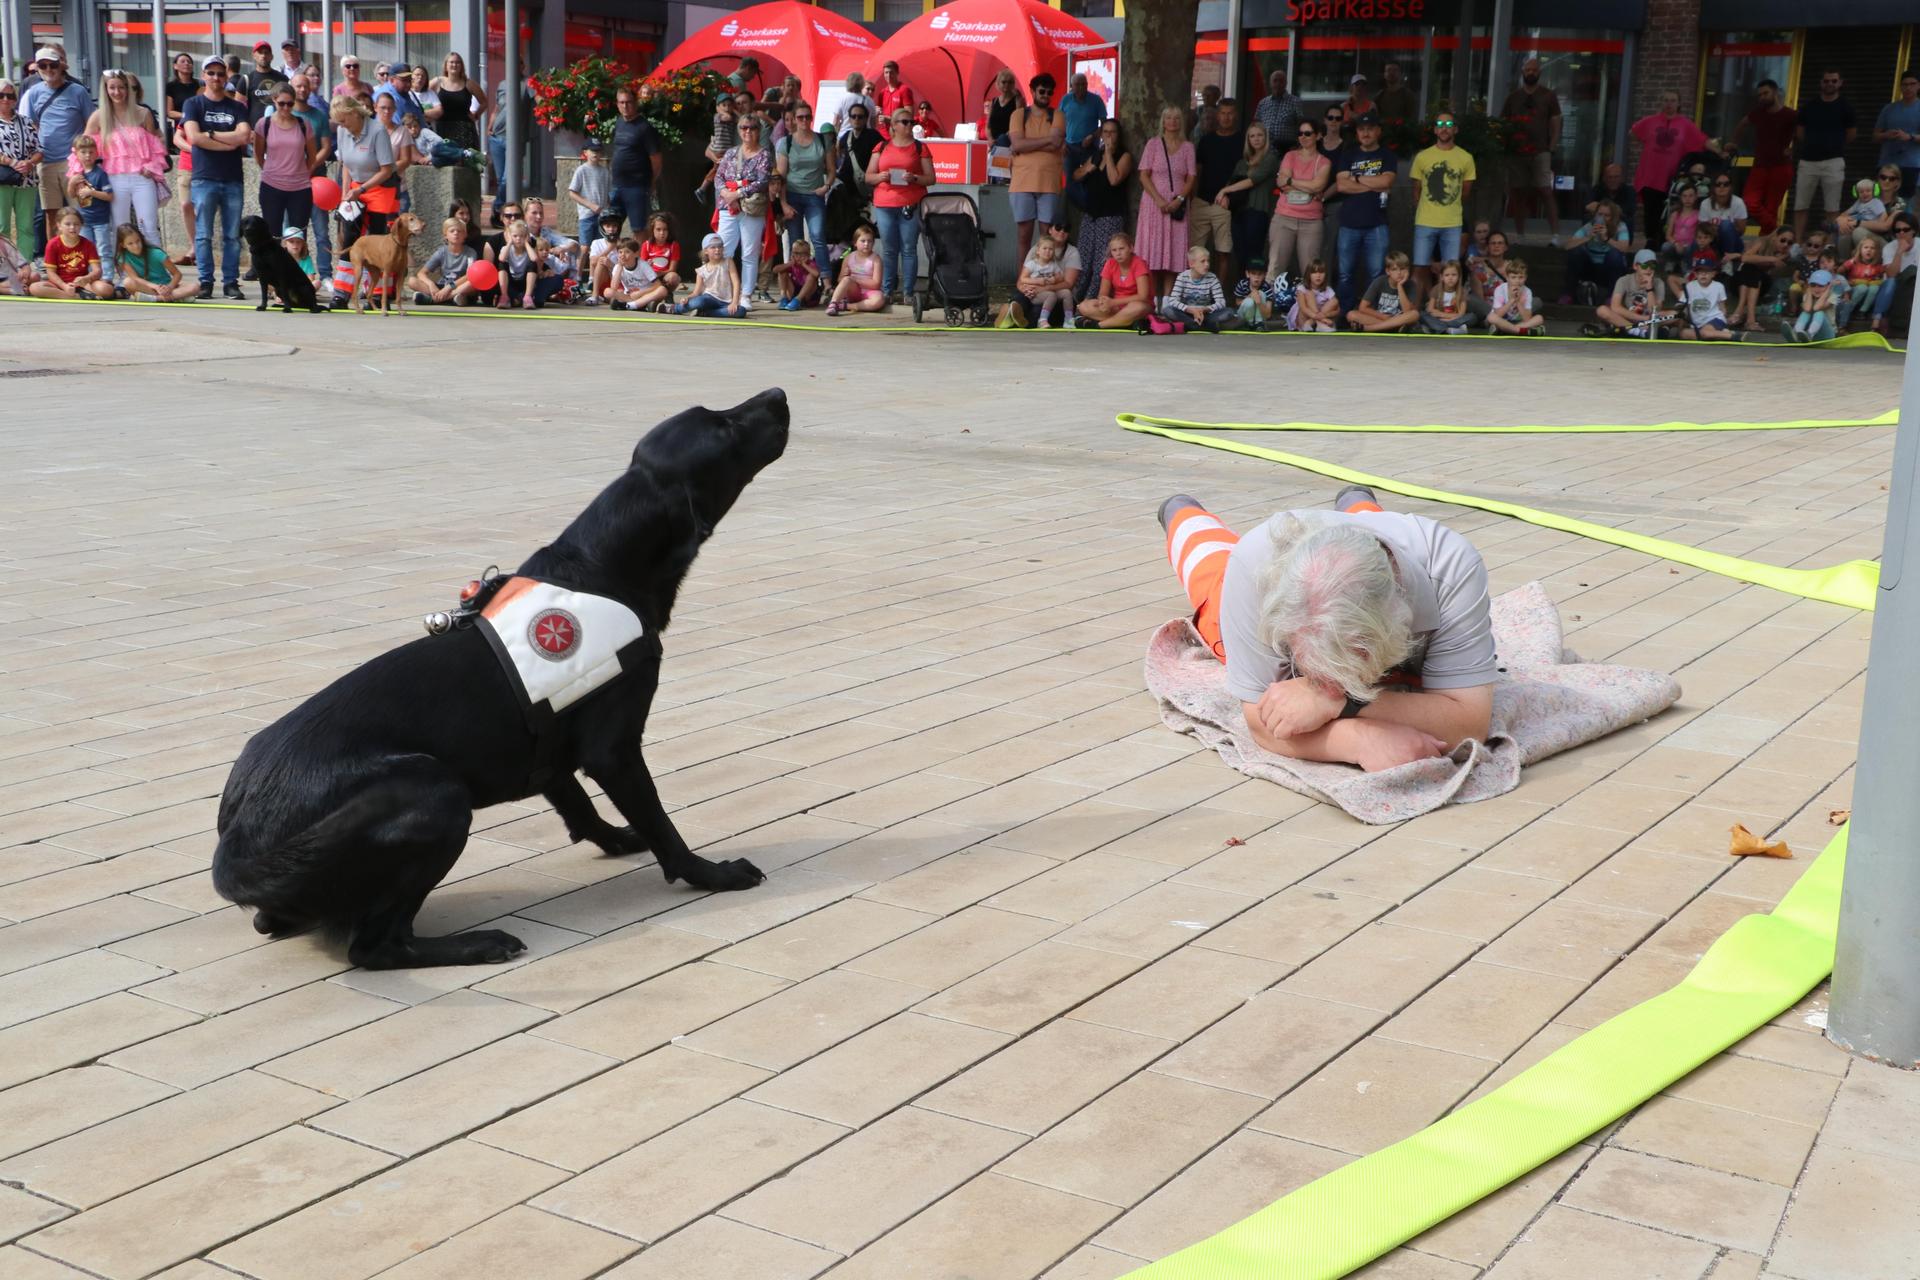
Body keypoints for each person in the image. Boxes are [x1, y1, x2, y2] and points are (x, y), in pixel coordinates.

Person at [1155, 492, 1497, 770]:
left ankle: (1358, 504)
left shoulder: (1451, 569)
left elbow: (1468, 725)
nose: (1325, 680)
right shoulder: (1253, 566)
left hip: (1384, 543)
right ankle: (1181, 513)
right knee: (1213, 574)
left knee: (1368, 528)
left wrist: (1334, 701)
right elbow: (1261, 722)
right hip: (1263, 560)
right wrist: (1358, 739)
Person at [182, 55, 251, 299]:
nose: (216, 78)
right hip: (204, 178)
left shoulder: (237, 107)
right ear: (203, 75)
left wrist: (210, 135)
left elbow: (244, 137)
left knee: (232, 235)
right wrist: (225, 141)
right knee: (203, 234)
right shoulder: (193, 104)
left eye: (220, 74)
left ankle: (231, 282)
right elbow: (194, 137)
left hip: (232, 179)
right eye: (210, 73)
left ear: (226, 77)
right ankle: (205, 281)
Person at [75, 69, 165, 254]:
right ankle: (124, 273)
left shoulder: (143, 113)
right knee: (119, 227)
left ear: (128, 89)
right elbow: (83, 148)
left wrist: (152, 166)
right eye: (112, 88)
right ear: (105, 90)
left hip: (142, 177)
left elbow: (157, 145)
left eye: (121, 87)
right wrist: (79, 174)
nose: (117, 92)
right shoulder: (98, 116)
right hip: (114, 180)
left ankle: (158, 270)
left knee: (149, 225)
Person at [21, 48, 94, 255]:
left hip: (73, 162)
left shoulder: (78, 91)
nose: (48, 69)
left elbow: (91, 122)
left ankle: (83, 259)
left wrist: (83, 155)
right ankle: (55, 260)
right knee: (51, 214)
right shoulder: (33, 93)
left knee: (81, 212)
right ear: (37, 68)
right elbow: (30, 125)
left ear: (61, 65)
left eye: (52, 65)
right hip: (45, 162)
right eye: (43, 66)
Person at [865, 108, 932, 306]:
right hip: (885, 203)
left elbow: (931, 178)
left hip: (910, 203)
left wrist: (915, 178)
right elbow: (868, 175)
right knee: (889, 249)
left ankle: (908, 292)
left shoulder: (920, 148)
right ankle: (887, 291)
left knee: (909, 248)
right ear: (893, 125)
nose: (909, 125)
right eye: (904, 122)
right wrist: (880, 177)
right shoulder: (882, 146)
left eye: (912, 122)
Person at [1331, 112, 1396, 312]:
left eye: (1370, 129)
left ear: (1378, 131)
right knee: (1344, 274)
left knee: (1376, 273)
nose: (1365, 133)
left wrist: (1357, 179)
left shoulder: (1387, 155)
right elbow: (1341, 185)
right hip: (1349, 222)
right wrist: (1372, 184)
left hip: (1376, 223)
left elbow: (1386, 182)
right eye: (1361, 129)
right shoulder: (1349, 154)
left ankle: (1370, 313)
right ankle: (1345, 314)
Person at [1628, 91, 1709, 238]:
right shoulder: (1650, 121)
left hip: (1672, 176)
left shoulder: (1685, 124)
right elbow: (1633, 133)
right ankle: (1651, 242)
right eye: (1665, 100)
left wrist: (1721, 151)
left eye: (1672, 101)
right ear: (1661, 102)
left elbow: (1702, 141)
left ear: (1678, 104)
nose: (1669, 104)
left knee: (1671, 211)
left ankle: (1667, 240)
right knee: (1650, 211)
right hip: (1650, 175)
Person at [1409, 112, 1475, 291]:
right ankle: (1412, 313)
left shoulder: (1466, 158)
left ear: (1455, 129)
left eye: (1448, 124)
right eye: (1440, 123)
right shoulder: (1422, 157)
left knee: (1451, 272)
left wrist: (1448, 205)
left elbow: (1465, 192)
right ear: (1435, 129)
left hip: (1452, 223)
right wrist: (1423, 210)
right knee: (1420, 269)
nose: (1444, 127)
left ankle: (1448, 313)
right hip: (1425, 221)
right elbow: (1416, 189)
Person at [251, 83, 317, 262]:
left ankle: (301, 277)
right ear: (274, 100)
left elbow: (312, 156)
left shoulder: (304, 124)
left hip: (300, 188)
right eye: (282, 103)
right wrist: (270, 170)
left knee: (298, 236)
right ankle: (275, 278)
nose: (286, 108)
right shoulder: (263, 124)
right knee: (272, 234)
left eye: (290, 103)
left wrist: (303, 172)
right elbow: (258, 154)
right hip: (272, 186)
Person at [1138, 105, 1197, 303]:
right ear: (1162, 121)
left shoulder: (1188, 147)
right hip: (1154, 205)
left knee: (1174, 252)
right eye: (1168, 118)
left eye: (1176, 118)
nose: (1172, 122)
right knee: (1153, 252)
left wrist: (1179, 199)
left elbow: (1191, 177)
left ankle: (1168, 301)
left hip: (1177, 205)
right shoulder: (1153, 144)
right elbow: (1144, 174)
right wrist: (1159, 200)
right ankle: (1153, 301)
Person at [1500, 58, 1561, 241]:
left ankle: (1555, 234)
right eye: (1528, 69)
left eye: (1534, 69)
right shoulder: (1513, 97)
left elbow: (1555, 122)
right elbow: (1503, 123)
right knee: (1518, 192)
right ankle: (1520, 234)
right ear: (1522, 72)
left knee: (1545, 191)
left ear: (1539, 72)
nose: (1531, 72)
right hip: (1517, 152)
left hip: (1541, 150)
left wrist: (1551, 146)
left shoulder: (1548, 96)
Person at [329, 95, 394, 268]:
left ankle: (376, 287)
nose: (342, 126)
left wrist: (362, 189)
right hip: (355, 187)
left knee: (376, 238)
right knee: (349, 235)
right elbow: (345, 165)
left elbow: (387, 170)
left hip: (379, 187)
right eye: (339, 123)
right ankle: (343, 286)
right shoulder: (343, 130)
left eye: (344, 121)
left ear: (355, 113)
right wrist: (344, 194)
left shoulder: (377, 130)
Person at [1008, 73, 1066, 263]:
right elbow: (1017, 145)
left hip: (1049, 183)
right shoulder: (1018, 114)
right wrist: (1048, 140)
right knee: (1023, 236)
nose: (1046, 95)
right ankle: (1021, 283)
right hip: (1022, 182)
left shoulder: (1058, 115)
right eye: (1042, 91)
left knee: (1047, 239)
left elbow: (1056, 143)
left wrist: (1028, 144)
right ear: (1033, 91)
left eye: (1049, 92)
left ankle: (1044, 282)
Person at [715, 113, 771, 307]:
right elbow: (718, 177)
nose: (748, 131)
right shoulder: (731, 153)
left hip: (751, 208)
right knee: (724, 250)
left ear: (759, 131)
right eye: (744, 128)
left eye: (753, 128)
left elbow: (762, 181)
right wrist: (726, 195)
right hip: (727, 207)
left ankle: (746, 294)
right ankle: (725, 292)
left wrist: (737, 194)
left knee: (749, 252)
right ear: (739, 131)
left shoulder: (764, 154)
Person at [1071, 119, 1130, 301]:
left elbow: (1114, 180)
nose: (1109, 136)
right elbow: (1076, 175)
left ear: (1118, 135)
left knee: (1101, 264)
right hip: (1091, 214)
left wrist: (1109, 156)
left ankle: (1090, 302)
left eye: (1112, 132)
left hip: (1110, 216)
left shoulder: (1124, 156)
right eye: (1105, 132)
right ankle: (1072, 301)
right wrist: (1090, 167)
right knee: (1083, 259)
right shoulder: (1095, 155)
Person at [1726, 80, 1795, 235]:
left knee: (1771, 208)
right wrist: (1733, 143)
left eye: (1765, 93)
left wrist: (1793, 149)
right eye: (1759, 95)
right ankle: (1779, 232)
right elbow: (1742, 124)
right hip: (1760, 166)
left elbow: (1803, 132)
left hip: (1781, 167)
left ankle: (1767, 246)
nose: (1762, 97)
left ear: (1775, 92)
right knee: (1750, 202)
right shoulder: (1757, 113)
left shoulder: (1790, 114)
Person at [1794, 69, 1855, 240]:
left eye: (1833, 81)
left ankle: (1829, 245)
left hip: (1833, 161)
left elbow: (1851, 134)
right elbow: (1800, 132)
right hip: (1808, 161)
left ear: (1840, 83)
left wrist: (1834, 145)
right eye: (1826, 81)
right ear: (1821, 83)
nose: (1830, 84)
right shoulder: (1809, 106)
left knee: (1832, 207)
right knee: (1801, 205)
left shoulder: (1846, 107)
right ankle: (1798, 242)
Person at [1265, 115, 1330, 277]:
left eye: (1308, 133)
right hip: (1284, 218)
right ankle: (1269, 302)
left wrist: (1291, 181)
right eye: (1300, 134)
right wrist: (1309, 188)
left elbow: (1318, 186)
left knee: (1311, 272)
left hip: (1311, 221)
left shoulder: (1324, 162)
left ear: (1318, 135)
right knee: (1275, 268)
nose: (1303, 137)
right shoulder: (1290, 156)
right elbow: (1282, 183)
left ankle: (1309, 303)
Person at [1189, 96, 1242, 280]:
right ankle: (1192, 291)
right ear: (1217, 115)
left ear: (1235, 116)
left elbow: (1245, 174)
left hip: (1224, 203)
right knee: (1195, 251)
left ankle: (1218, 294)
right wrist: (1193, 197)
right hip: (1201, 201)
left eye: (1230, 114)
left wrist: (1231, 197)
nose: (1226, 117)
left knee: (1223, 251)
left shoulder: (1242, 141)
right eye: (1223, 113)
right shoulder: (1206, 140)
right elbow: (1197, 170)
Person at [1218, 122, 1278, 279]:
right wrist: (1225, 195)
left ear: (1265, 138)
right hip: (1239, 211)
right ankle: (1241, 293)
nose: (1256, 139)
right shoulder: (1242, 162)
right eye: (1252, 136)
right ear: (1248, 140)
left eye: (1260, 135)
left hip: (1258, 211)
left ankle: (1256, 293)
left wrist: (1225, 190)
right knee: (1240, 254)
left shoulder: (1270, 159)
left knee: (1254, 254)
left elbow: (1253, 180)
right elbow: (1232, 182)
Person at [775, 101, 834, 257]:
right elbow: (780, 176)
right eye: (800, 117)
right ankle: (797, 279)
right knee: (796, 240)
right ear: (794, 119)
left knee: (818, 237)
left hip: (815, 194)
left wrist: (827, 186)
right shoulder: (785, 142)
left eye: (807, 117)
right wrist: (783, 203)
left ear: (812, 118)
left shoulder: (822, 140)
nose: (804, 120)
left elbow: (831, 170)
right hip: (792, 194)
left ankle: (825, 279)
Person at [608, 86, 661, 234]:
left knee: (639, 229)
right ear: (617, 104)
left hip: (636, 186)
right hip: (617, 185)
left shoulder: (644, 127)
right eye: (621, 102)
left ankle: (640, 258)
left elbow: (656, 159)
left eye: (629, 102)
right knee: (611, 228)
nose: (625, 106)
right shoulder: (619, 123)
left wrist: (651, 182)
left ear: (636, 102)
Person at [1076, 230, 1152, 329]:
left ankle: (1100, 325)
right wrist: (1104, 303)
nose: (1118, 253)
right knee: (1084, 306)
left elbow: (1143, 296)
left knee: (1137, 307)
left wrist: (1114, 302)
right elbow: (1103, 292)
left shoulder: (1139, 264)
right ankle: (1123, 322)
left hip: (1138, 305)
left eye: (1121, 249)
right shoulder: (1110, 263)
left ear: (1131, 248)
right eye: (1114, 250)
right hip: (1117, 307)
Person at [31, 205, 112, 297]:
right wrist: (64, 286)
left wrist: (86, 278)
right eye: (67, 224)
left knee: (106, 289)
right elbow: (51, 272)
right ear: (59, 225)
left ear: (81, 225)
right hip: (59, 284)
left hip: (82, 284)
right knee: (35, 287)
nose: (72, 227)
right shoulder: (52, 244)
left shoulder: (88, 244)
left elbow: (97, 270)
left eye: (76, 224)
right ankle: (73, 296)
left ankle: (81, 293)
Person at [1590, 248, 1671, 337]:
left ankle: (1632, 330)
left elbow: (1655, 311)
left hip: (1650, 319)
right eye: (1644, 266)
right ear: (1635, 266)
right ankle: (1638, 331)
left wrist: (1649, 289)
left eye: (1652, 266)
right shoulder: (1624, 280)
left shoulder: (1659, 283)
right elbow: (1615, 307)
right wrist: (1643, 318)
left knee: (1675, 315)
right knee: (1602, 310)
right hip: (1629, 317)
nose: (1649, 269)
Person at [1561, 199, 1629, 304]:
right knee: (1576, 252)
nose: (1602, 218)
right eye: (1600, 214)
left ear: (1612, 217)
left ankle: (1612, 297)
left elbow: (1624, 247)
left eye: (1607, 215)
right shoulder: (1589, 226)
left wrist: (1606, 238)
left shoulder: (1620, 226)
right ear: (1595, 215)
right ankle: (1568, 294)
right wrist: (1587, 237)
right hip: (1590, 268)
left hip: (1608, 268)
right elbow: (1567, 245)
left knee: (1614, 255)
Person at [0, 81, 41, 253]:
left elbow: (40, 150)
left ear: (16, 99)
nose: (5, 99)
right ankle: (5, 268)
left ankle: (25, 267)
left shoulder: (26, 121)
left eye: (10, 96)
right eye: (1, 95)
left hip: (27, 180)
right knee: (2, 228)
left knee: (26, 227)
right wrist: (11, 162)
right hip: (2, 181)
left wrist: (30, 162)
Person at [1729, 225, 1794, 331]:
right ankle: (1750, 320)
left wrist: (1767, 260)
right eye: (1783, 240)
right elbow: (1745, 258)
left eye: (1789, 242)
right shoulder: (1762, 242)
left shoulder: (1785, 255)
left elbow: (1770, 272)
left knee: (1753, 270)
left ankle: (1739, 312)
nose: (1785, 244)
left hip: (1762, 285)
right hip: (1740, 282)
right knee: (1750, 268)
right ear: (1775, 237)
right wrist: (1772, 259)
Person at [1162, 242, 1230, 330]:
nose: (1207, 264)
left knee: (1228, 312)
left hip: (1205, 314)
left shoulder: (1212, 278)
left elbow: (1221, 302)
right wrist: (1190, 310)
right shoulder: (1182, 277)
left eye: (1208, 261)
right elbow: (1173, 301)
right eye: (1203, 261)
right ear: (1191, 264)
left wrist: (1204, 309)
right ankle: (1203, 326)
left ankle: (1192, 325)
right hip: (1187, 313)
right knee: (1167, 310)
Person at [1350, 249, 1422, 331]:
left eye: (1402, 269)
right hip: (1383, 318)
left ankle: (1369, 328)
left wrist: (1400, 286)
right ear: (1388, 271)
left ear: (1407, 270)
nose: (1399, 273)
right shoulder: (1380, 281)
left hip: (1400, 319)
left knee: (1414, 314)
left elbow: (1407, 311)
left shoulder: (1410, 284)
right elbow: (1362, 307)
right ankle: (1392, 327)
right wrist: (1383, 316)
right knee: (1351, 314)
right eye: (1394, 269)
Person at [64, 136, 112, 254]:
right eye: (83, 152)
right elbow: (72, 195)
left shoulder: (100, 174)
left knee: (103, 250)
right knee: (86, 249)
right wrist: (71, 183)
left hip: (100, 219)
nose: (87, 156)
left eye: (91, 152)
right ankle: (91, 272)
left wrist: (91, 192)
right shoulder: (78, 174)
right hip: (84, 220)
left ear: (96, 153)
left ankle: (107, 273)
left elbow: (109, 196)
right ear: (77, 155)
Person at [1876, 69, 1920, 197]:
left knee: (1905, 206)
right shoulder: (1889, 108)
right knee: (1882, 203)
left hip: (1911, 165)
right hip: (1887, 163)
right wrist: (1886, 135)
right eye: (1905, 84)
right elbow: (1875, 136)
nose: (1908, 88)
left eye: (1912, 84)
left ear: (1918, 85)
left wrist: (1909, 137)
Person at [677, 230, 742, 316]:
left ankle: (705, 313)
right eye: (713, 247)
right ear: (706, 251)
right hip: (708, 299)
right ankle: (675, 308)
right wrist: (687, 298)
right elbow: (696, 292)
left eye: (720, 246)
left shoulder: (728, 261)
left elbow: (736, 282)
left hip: (726, 302)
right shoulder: (702, 270)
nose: (717, 250)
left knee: (741, 311)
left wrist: (734, 302)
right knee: (699, 301)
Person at [826, 220, 885, 315]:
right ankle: (833, 303)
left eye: (870, 241)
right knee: (846, 280)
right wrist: (846, 276)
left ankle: (845, 306)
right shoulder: (849, 258)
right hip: (853, 291)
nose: (866, 244)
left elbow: (876, 284)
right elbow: (840, 280)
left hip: (869, 292)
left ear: (873, 243)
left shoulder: (876, 259)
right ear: (855, 243)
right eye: (863, 241)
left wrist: (855, 279)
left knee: (879, 300)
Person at [497, 218, 554, 309]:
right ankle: (504, 296)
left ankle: (527, 297)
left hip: (524, 280)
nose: (518, 239)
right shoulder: (506, 248)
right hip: (511, 280)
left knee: (532, 264)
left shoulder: (528, 250)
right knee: (502, 264)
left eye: (521, 236)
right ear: (510, 236)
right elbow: (502, 258)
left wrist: (527, 244)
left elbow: (534, 258)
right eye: (515, 236)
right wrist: (509, 243)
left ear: (526, 237)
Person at [602, 236, 669, 311]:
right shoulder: (618, 267)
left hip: (645, 294)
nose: (623, 255)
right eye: (620, 252)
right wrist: (620, 267)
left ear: (636, 254)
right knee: (607, 292)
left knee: (662, 290)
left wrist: (640, 293)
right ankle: (641, 304)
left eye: (627, 252)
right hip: (629, 296)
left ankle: (631, 305)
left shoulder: (643, 265)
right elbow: (613, 287)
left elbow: (658, 284)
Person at [1679, 252, 1736, 340]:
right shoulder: (1689, 286)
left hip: (1715, 319)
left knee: (1704, 332)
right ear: (1696, 274)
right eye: (1700, 272)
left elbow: (1722, 307)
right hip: (1697, 324)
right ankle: (1717, 335)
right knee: (1684, 333)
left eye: (1707, 272)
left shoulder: (1718, 286)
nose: (1703, 274)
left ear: (1713, 274)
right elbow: (1685, 306)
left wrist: (1725, 318)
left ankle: (1732, 336)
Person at [1061, 71, 1106, 178]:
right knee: (1070, 179)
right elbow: (1059, 123)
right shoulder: (1066, 99)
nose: (1081, 87)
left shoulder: (1096, 100)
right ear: (1072, 86)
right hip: (1069, 147)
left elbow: (1105, 124)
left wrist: (1093, 136)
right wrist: (1062, 143)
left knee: (1091, 178)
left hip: (1089, 147)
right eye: (1077, 85)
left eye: (1083, 84)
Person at [1837, 235, 1886, 328]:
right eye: (1866, 247)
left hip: (1868, 295)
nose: (1869, 250)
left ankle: (1862, 311)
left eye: (1872, 248)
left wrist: (1877, 282)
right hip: (1854, 291)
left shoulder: (1877, 266)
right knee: (1862, 288)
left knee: (1874, 288)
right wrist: (1846, 282)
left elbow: (1884, 278)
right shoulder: (1854, 262)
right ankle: (1849, 309)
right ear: (1860, 250)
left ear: (1876, 252)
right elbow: (1839, 272)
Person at [568, 142, 610, 244]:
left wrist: (607, 209)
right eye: (593, 151)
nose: (595, 153)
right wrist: (590, 205)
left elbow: (608, 193)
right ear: (585, 152)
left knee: (600, 246)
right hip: (586, 216)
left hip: (602, 216)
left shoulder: (605, 172)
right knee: (585, 247)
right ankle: (582, 260)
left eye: (598, 151)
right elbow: (572, 192)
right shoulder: (581, 170)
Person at [1421, 258, 1478, 333]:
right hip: (1439, 319)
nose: (1450, 278)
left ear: (1459, 277)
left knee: (1472, 317)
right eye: (1447, 275)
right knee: (1422, 315)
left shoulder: (1462, 291)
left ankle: (1439, 328)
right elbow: (1430, 309)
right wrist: (1442, 316)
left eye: (1454, 275)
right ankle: (1449, 329)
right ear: (1442, 277)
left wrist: (1443, 316)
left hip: (1453, 319)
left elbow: (1461, 313)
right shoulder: (1436, 289)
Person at [837, 102, 883, 193]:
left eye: (860, 116)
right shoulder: (846, 135)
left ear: (866, 119)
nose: (856, 119)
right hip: (845, 185)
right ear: (849, 119)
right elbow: (838, 152)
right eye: (853, 116)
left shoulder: (874, 136)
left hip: (865, 186)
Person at [1699, 173, 1748, 254]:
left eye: (1726, 184)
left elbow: (1741, 231)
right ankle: (1691, 263)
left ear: (1731, 187)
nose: (1722, 187)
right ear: (1713, 187)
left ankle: (1728, 259)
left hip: (1733, 242)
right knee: (1694, 243)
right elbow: (1703, 229)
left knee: (1726, 225)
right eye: (1718, 184)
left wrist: (1723, 229)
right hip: (1712, 240)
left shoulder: (1738, 202)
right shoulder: (1705, 203)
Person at [1787, 266, 1839, 342]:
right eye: (1813, 285)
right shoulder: (1808, 295)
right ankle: (1796, 333)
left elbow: (1817, 308)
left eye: (1821, 286)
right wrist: (1808, 289)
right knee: (1806, 313)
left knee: (1819, 312)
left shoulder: (1833, 296)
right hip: (1813, 335)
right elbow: (1807, 309)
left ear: (1828, 285)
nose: (1816, 289)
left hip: (1828, 335)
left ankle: (1810, 334)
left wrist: (1828, 289)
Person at [1253, 67, 1302, 147]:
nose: (1278, 84)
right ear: (1270, 83)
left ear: (1286, 83)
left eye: (1281, 81)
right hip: (1265, 148)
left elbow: (1301, 125)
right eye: (1275, 81)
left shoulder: (1295, 102)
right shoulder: (1263, 103)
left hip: (1287, 149)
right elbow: (1256, 126)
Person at [1584, 162, 1635, 238]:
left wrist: (1601, 208)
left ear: (1622, 178)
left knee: (1628, 220)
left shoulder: (1629, 191)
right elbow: (1588, 206)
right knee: (1587, 216)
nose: (1613, 180)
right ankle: (1590, 239)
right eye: (1610, 177)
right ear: (1604, 178)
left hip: (1619, 223)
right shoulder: (1597, 189)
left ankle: (1623, 241)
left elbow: (1629, 210)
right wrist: (1614, 210)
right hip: (1600, 222)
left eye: (1616, 177)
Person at [1287, 258, 1336, 331]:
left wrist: (1325, 315)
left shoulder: (1328, 290)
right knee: (1309, 294)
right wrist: (1321, 318)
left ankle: (1317, 324)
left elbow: (1337, 310)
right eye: (1314, 272)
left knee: (1334, 301)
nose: (1318, 275)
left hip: (1318, 318)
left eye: (1321, 272)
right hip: (1303, 318)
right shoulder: (1302, 288)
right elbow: (1303, 308)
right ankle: (1316, 323)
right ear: (1308, 274)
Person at [981, 68, 1024, 151]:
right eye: (1004, 82)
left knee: (1002, 139)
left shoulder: (1017, 101)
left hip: (1008, 141)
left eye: (1010, 82)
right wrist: (990, 139)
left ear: (1013, 84)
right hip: (993, 142)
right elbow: (988, 125)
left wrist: (1004, 138)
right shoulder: (994, 101)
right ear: (998, 83)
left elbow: (1019, 122)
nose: (1007, 85)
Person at [771, 238, 820, 310]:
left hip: (808, 295)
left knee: (811, 276)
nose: (797, 257)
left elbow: (817, 274)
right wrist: (789, 264)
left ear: (808, 255)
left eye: (800, 254)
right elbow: (775, 270)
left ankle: (798, 300)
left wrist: (804, 265)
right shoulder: (792, 264)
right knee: (782, 272)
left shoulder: (810, 263)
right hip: (794, 292)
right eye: (794, 253)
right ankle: (784, 298)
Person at [243, 42, 286, 123]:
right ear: (254, 56)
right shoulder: (246, 79)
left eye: (266, 52)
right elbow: (239, 108)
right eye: (260, 53)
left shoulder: (282, 79)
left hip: (278, 127)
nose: (263, 56)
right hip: (254, 130)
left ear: (271, 56)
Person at [1469, 228, 1512, 301]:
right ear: (1487, 247)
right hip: (1488, 310)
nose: (1496, 246)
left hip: (1512, 307)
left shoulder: (1513, 267)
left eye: (1500, 243)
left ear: (1506, 247)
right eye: (1493, 243)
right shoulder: (1478, 271)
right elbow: (1479, 303)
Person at [1374, 62, 1417, 131]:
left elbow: (1412, 118)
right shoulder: (1379, 96)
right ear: (1384, 75)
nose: (1391, 73)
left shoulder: (1407, 95)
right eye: (1388, 70)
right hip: (1383, 134)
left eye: (1395, 70)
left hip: (1402, 134)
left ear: (1400, 74)